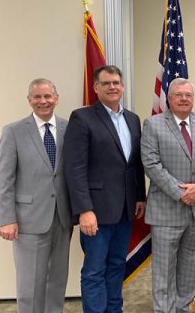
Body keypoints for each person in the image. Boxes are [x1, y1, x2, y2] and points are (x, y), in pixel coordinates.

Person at [63, 65, 146, 313]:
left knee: (117, 264)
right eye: (107, 83)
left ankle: (114, 309)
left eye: (116, 83)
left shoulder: (132, 119)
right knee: (94, 270)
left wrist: (140, 196)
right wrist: (84, 210)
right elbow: (74, 168)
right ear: (96, 87)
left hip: (125, 209)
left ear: (123, 87)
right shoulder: (82, 117)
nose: (112, 87)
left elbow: (135, 163)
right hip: (96, 212)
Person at [141, 78, 195, 313]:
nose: (184, 98)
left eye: (188, 95)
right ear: (169, 98)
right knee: (164, 268)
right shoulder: (153, 124)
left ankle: (183, 306)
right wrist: (181, 193)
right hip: (167, 209)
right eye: (179, 95)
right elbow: (151, 164)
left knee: (190, 265)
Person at [0, 78, 72, 313]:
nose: (43, 101)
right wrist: (7, 218)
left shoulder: (70, 128)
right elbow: (3, 179)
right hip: (28, 220)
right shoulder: (14, 131)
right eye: (37, 97)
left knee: (57, 280)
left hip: (62, 217)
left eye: (48, 96)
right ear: (29, 100)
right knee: (30, 284)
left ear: (56, 99)